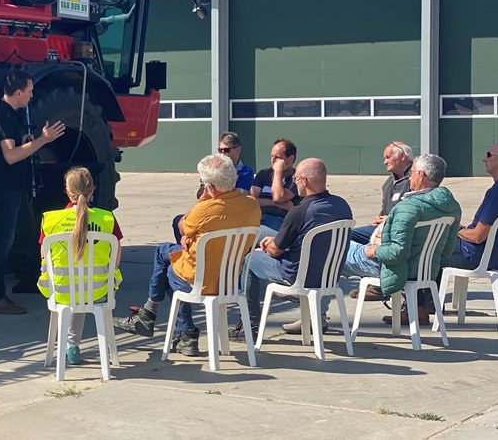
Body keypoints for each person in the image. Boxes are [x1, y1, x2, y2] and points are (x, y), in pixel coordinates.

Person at [116, 154, 261, 357]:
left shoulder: (204, 209)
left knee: (164, 261)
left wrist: (202, 201)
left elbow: (183, 226)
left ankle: (167, 322)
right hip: (229, 279)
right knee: (170, 259)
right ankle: (172, 328)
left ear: (210, 186)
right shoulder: (251, 204)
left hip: (200, 280)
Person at [0, 70, 65, 315]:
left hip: (9, 186)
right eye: (29, 92)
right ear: (18, 92)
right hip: (2, 187)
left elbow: (14, 147)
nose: (31, 96)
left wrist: (27, 139)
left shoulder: (12, 114)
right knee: (2, 241)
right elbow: (10, 155)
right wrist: (42, 140)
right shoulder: (1, 114)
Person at [232, 158, 352, 340]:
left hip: (298, 276)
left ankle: (249, 325)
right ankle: (315, 315)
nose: (295, 183)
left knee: (249, 259)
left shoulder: (300, 211)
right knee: (261, 232)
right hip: (327, 275)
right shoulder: (342, 205)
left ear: (304, 181)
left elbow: (276, 251)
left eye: (296, 179)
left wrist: (268, 245)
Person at [338, 154, 461, 326]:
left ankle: (312, 305)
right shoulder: (451, 206)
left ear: (421, 175)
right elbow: (447, 249)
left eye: (411, 173)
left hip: (396, 269)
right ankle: (418, 309)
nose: (409, 177)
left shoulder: (409, 207)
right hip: (426, 270)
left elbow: (397, 253)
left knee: (332, 248)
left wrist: (374, 250)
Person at [37, 166, 123, 365]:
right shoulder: (106, 218)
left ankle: (71, 346)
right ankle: (81, 347)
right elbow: (116, 258)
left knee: (75, 291)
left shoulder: (51, 219)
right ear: (93, 190)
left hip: (60, 291)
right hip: (99, 291)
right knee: (85, 288)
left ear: (67, 191)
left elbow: (44, 257)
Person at [442, 141, 498, 272]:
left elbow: (477, 236)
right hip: (494, 257)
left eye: (489, 155)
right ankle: (429, 292)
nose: (484, 159)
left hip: (474, 257)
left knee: (426, 252)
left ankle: (424, 292)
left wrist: (455, 229)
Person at [349, 141, 414, 301]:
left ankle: (381, 282)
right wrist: (379, 219)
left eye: (388, 157)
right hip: (383, 228)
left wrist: (390, 219)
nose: (385, 162)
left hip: (398, 232)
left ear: (402, 156)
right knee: (347, 235)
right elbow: (385, 211)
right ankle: (376, 280)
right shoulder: (388, 183)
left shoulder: (414, 180)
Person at [176, 131, 255, 241]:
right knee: (179, 221)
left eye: (226, 150)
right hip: (209, 207)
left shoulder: (245, 172)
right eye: (220, 150)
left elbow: (240, 195)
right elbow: (200, 194)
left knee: (183, 225)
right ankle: (187, 247)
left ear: (238, 150)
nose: (223, 154)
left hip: (228, 211)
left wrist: (215, 189)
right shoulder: (212, 170)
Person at [250, 139, 300, 232]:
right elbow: (251, 200)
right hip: (258, 218)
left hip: (280, 221)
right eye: (271, 156)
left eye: (277, 157)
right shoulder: (263, 174)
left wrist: (277, 171)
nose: (272, 160)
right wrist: (278, 204)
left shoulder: (296, 178)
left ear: (291, 159)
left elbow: (278, 197)